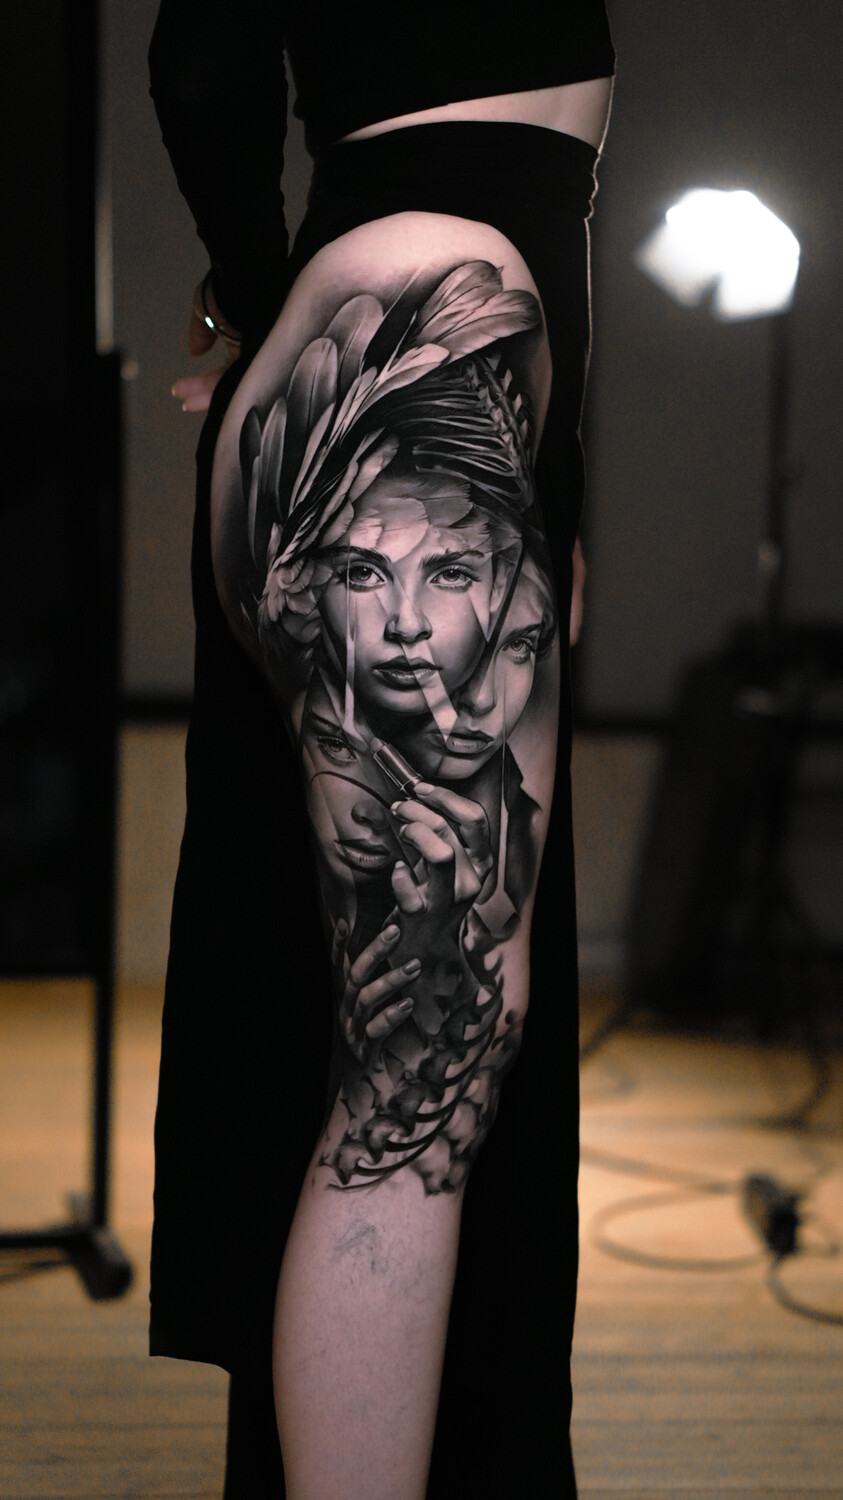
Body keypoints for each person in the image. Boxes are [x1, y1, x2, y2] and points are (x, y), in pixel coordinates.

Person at [148, 3, 614, 1494]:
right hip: (415, 324)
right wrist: (267, 297)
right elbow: (203, 55)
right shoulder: (421, 275)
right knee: (426, 1059)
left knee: (425, 1046)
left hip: (437, 337)